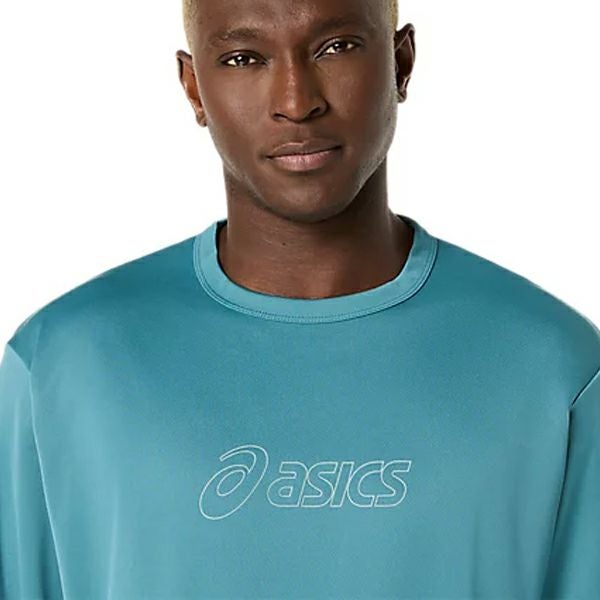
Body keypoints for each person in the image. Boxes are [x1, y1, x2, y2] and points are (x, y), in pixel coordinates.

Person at [1, 0, 598, 598]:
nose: (295, 100)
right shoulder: (62, 363)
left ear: (401, 62)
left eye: (335, 47)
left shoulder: (554, 370)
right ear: (194, 88)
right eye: (244, 58)